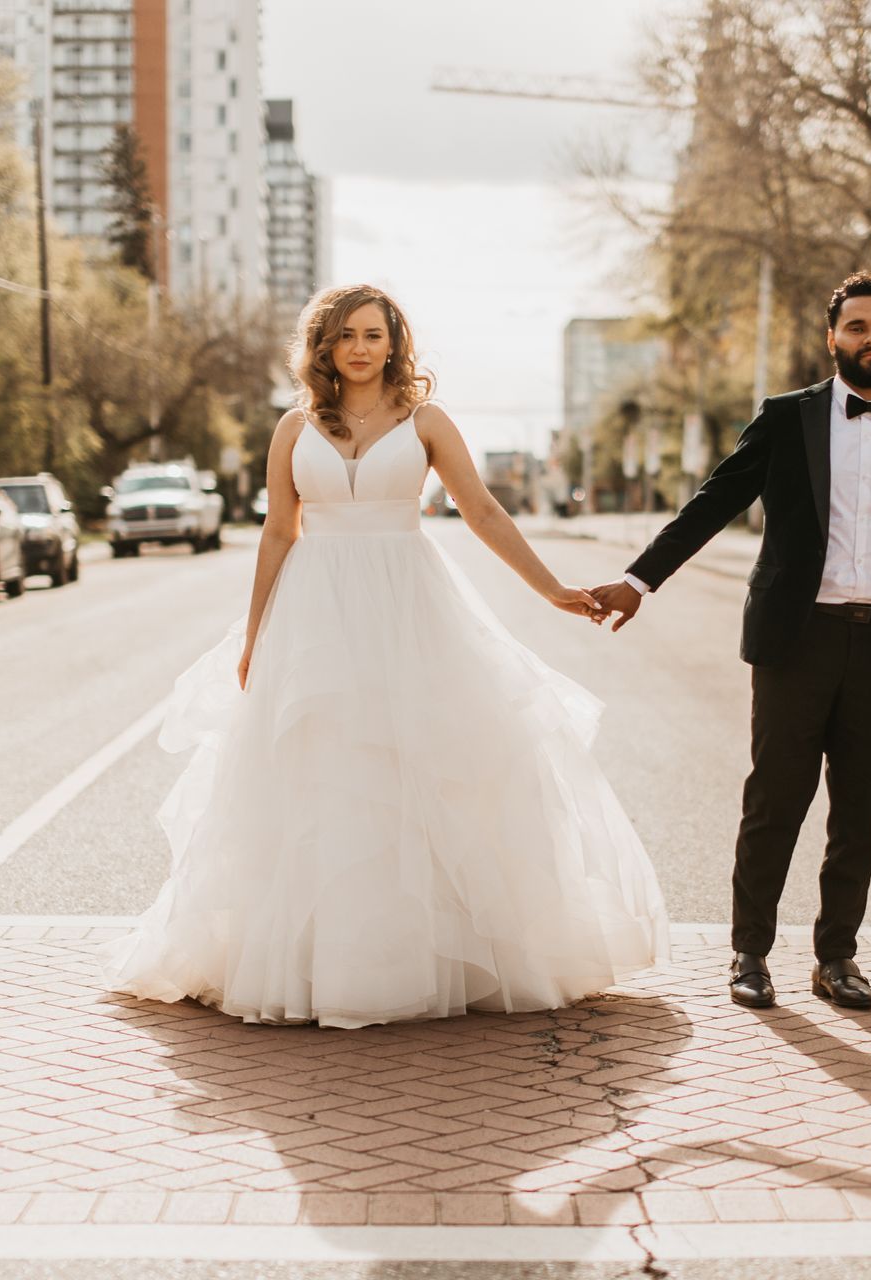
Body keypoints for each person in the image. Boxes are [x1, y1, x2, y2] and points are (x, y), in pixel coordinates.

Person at [101, 284, 669, 1029]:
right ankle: (317, 957)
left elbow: (484, 510)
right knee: (324, 772)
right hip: (315, 611)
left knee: (422, 768)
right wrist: (254, 633)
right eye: (346, 336)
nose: (361, 348)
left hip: (410, 604)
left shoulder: (425, 420)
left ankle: (430, 955)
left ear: (394, 345)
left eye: (374, 335)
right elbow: (279, 531)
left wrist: (552, 589)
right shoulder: (293, 427)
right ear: (325, 348)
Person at [588, 271, 871, 1012]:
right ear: (832, 338)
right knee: (775, 803)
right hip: (794, 644)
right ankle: (750, 953)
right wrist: (639, 583)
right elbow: (714, 501)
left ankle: (838, 958)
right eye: (857, 327)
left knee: (859, 815)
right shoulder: (787, 418)